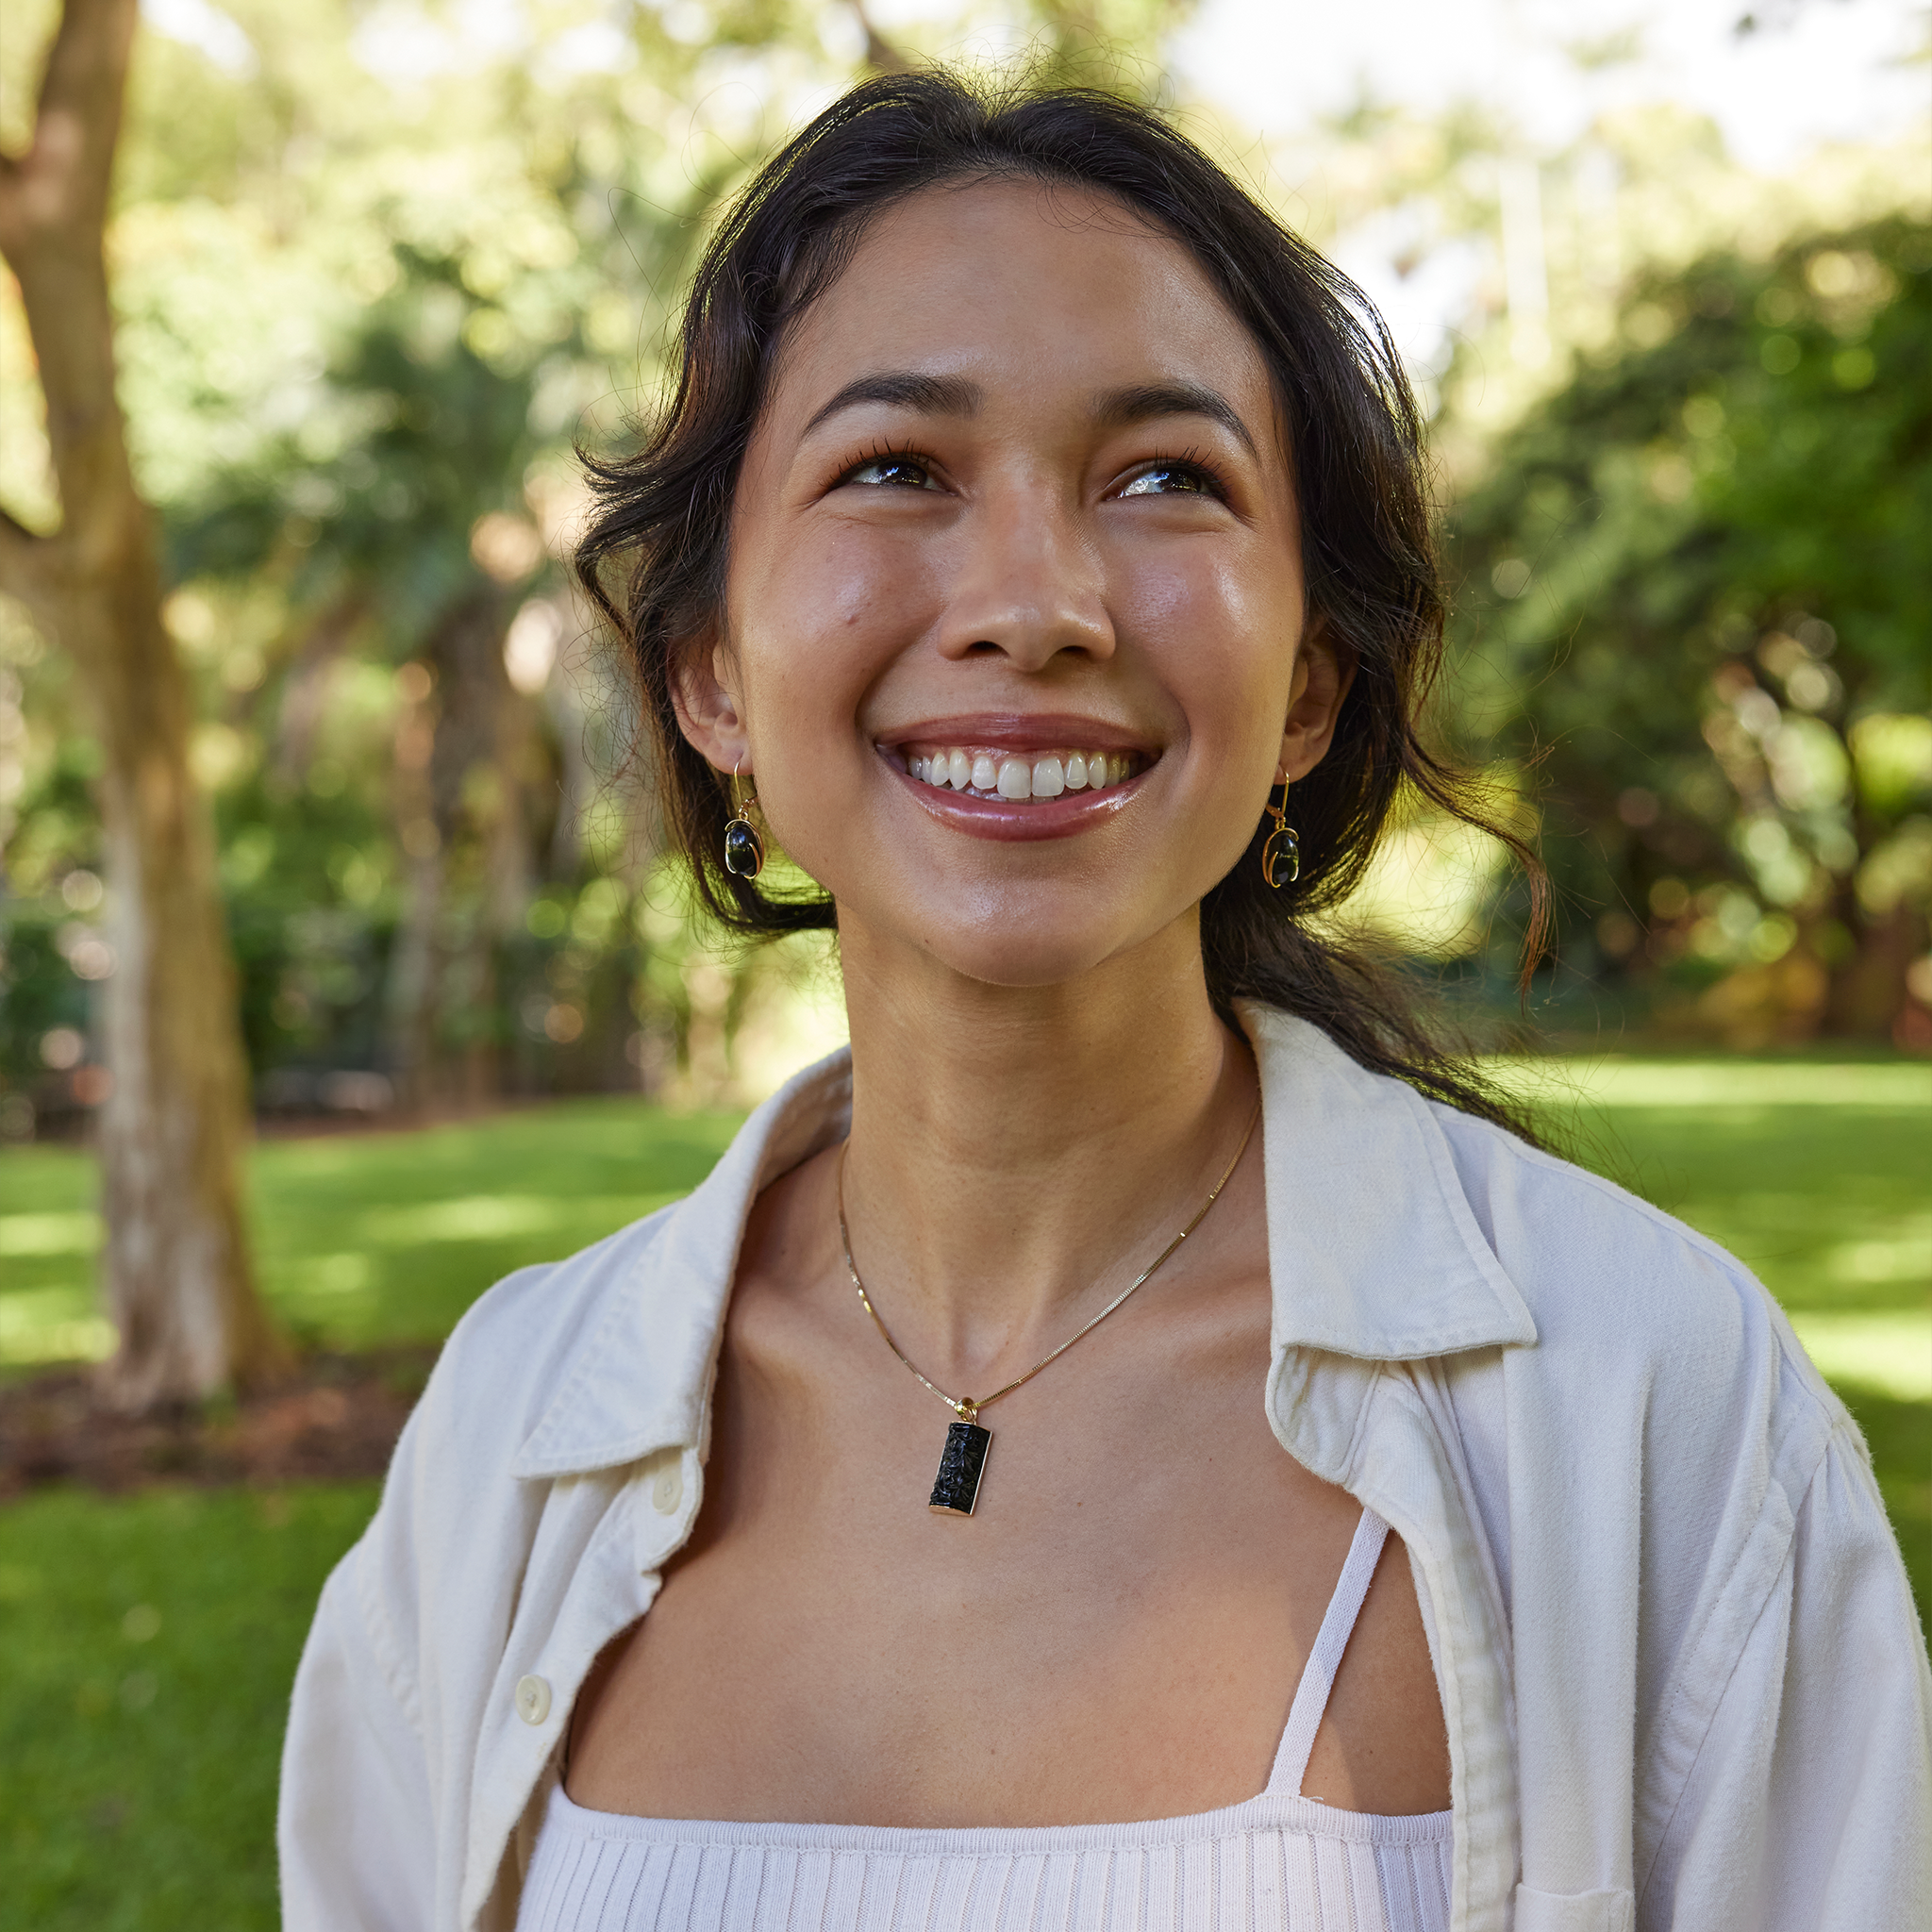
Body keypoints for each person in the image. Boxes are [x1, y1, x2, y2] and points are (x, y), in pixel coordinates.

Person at [277, 72, 1932, 1932]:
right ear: (710, 672)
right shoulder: (509, 1431)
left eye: (1163, 478)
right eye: (896, 466)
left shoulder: (1655, 1405)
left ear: (1307, 686)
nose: (1036, 603)